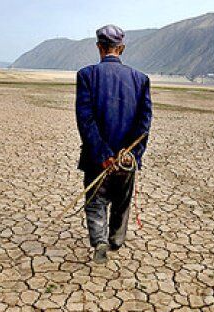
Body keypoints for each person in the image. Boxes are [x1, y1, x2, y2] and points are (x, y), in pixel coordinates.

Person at [75, 24, 152, 264]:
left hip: (97, 158)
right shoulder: (140, 79)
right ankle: (115, 241)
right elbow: (144, 122)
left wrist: (103, 154)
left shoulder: (86, 75)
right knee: (121, 200)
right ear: (122, 48)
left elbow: (85, 120)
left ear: (99, 47)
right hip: (126, 159)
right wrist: (131, 154)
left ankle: (99, 240)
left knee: (96, 200)